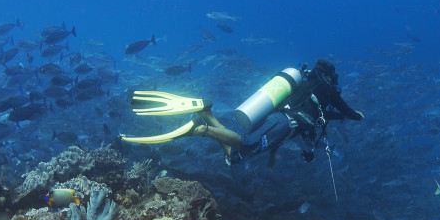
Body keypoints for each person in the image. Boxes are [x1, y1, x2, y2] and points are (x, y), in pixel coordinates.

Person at [121, 59, 363, 168]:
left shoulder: (306, 82)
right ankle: (200, 130)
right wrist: (358, 116)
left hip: (276, 118)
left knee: (236, 157)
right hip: (283, 124)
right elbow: (346, 111)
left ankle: (205, 113)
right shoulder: (328, 90)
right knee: (246, 145)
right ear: (330, 76)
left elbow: (321, 114)